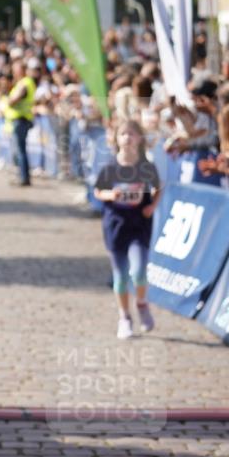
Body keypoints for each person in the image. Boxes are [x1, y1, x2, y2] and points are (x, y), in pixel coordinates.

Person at [93, 119, 161, 339]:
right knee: (120, 276)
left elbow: (158, 188)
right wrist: (110, 195)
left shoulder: (146, 168)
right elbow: (97, 191)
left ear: (140, 139)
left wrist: (152, 206)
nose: (128, 138)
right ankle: (124, 317)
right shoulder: (110, 167)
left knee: (139, 271)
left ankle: (141, 303)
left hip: (139, 225)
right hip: (116, 224)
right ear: (116, 139)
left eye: (132, 133)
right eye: (123, 134)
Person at [6, 57, 40, 186]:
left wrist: (9, 101)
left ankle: (24, 178)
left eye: (15, 69)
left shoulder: (25, 83)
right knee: (19, 150)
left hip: (21, 120)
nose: (13, 72)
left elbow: (14, 100)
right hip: (20, 119)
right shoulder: (23, 82)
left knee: (20, 151)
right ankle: (22, 176)